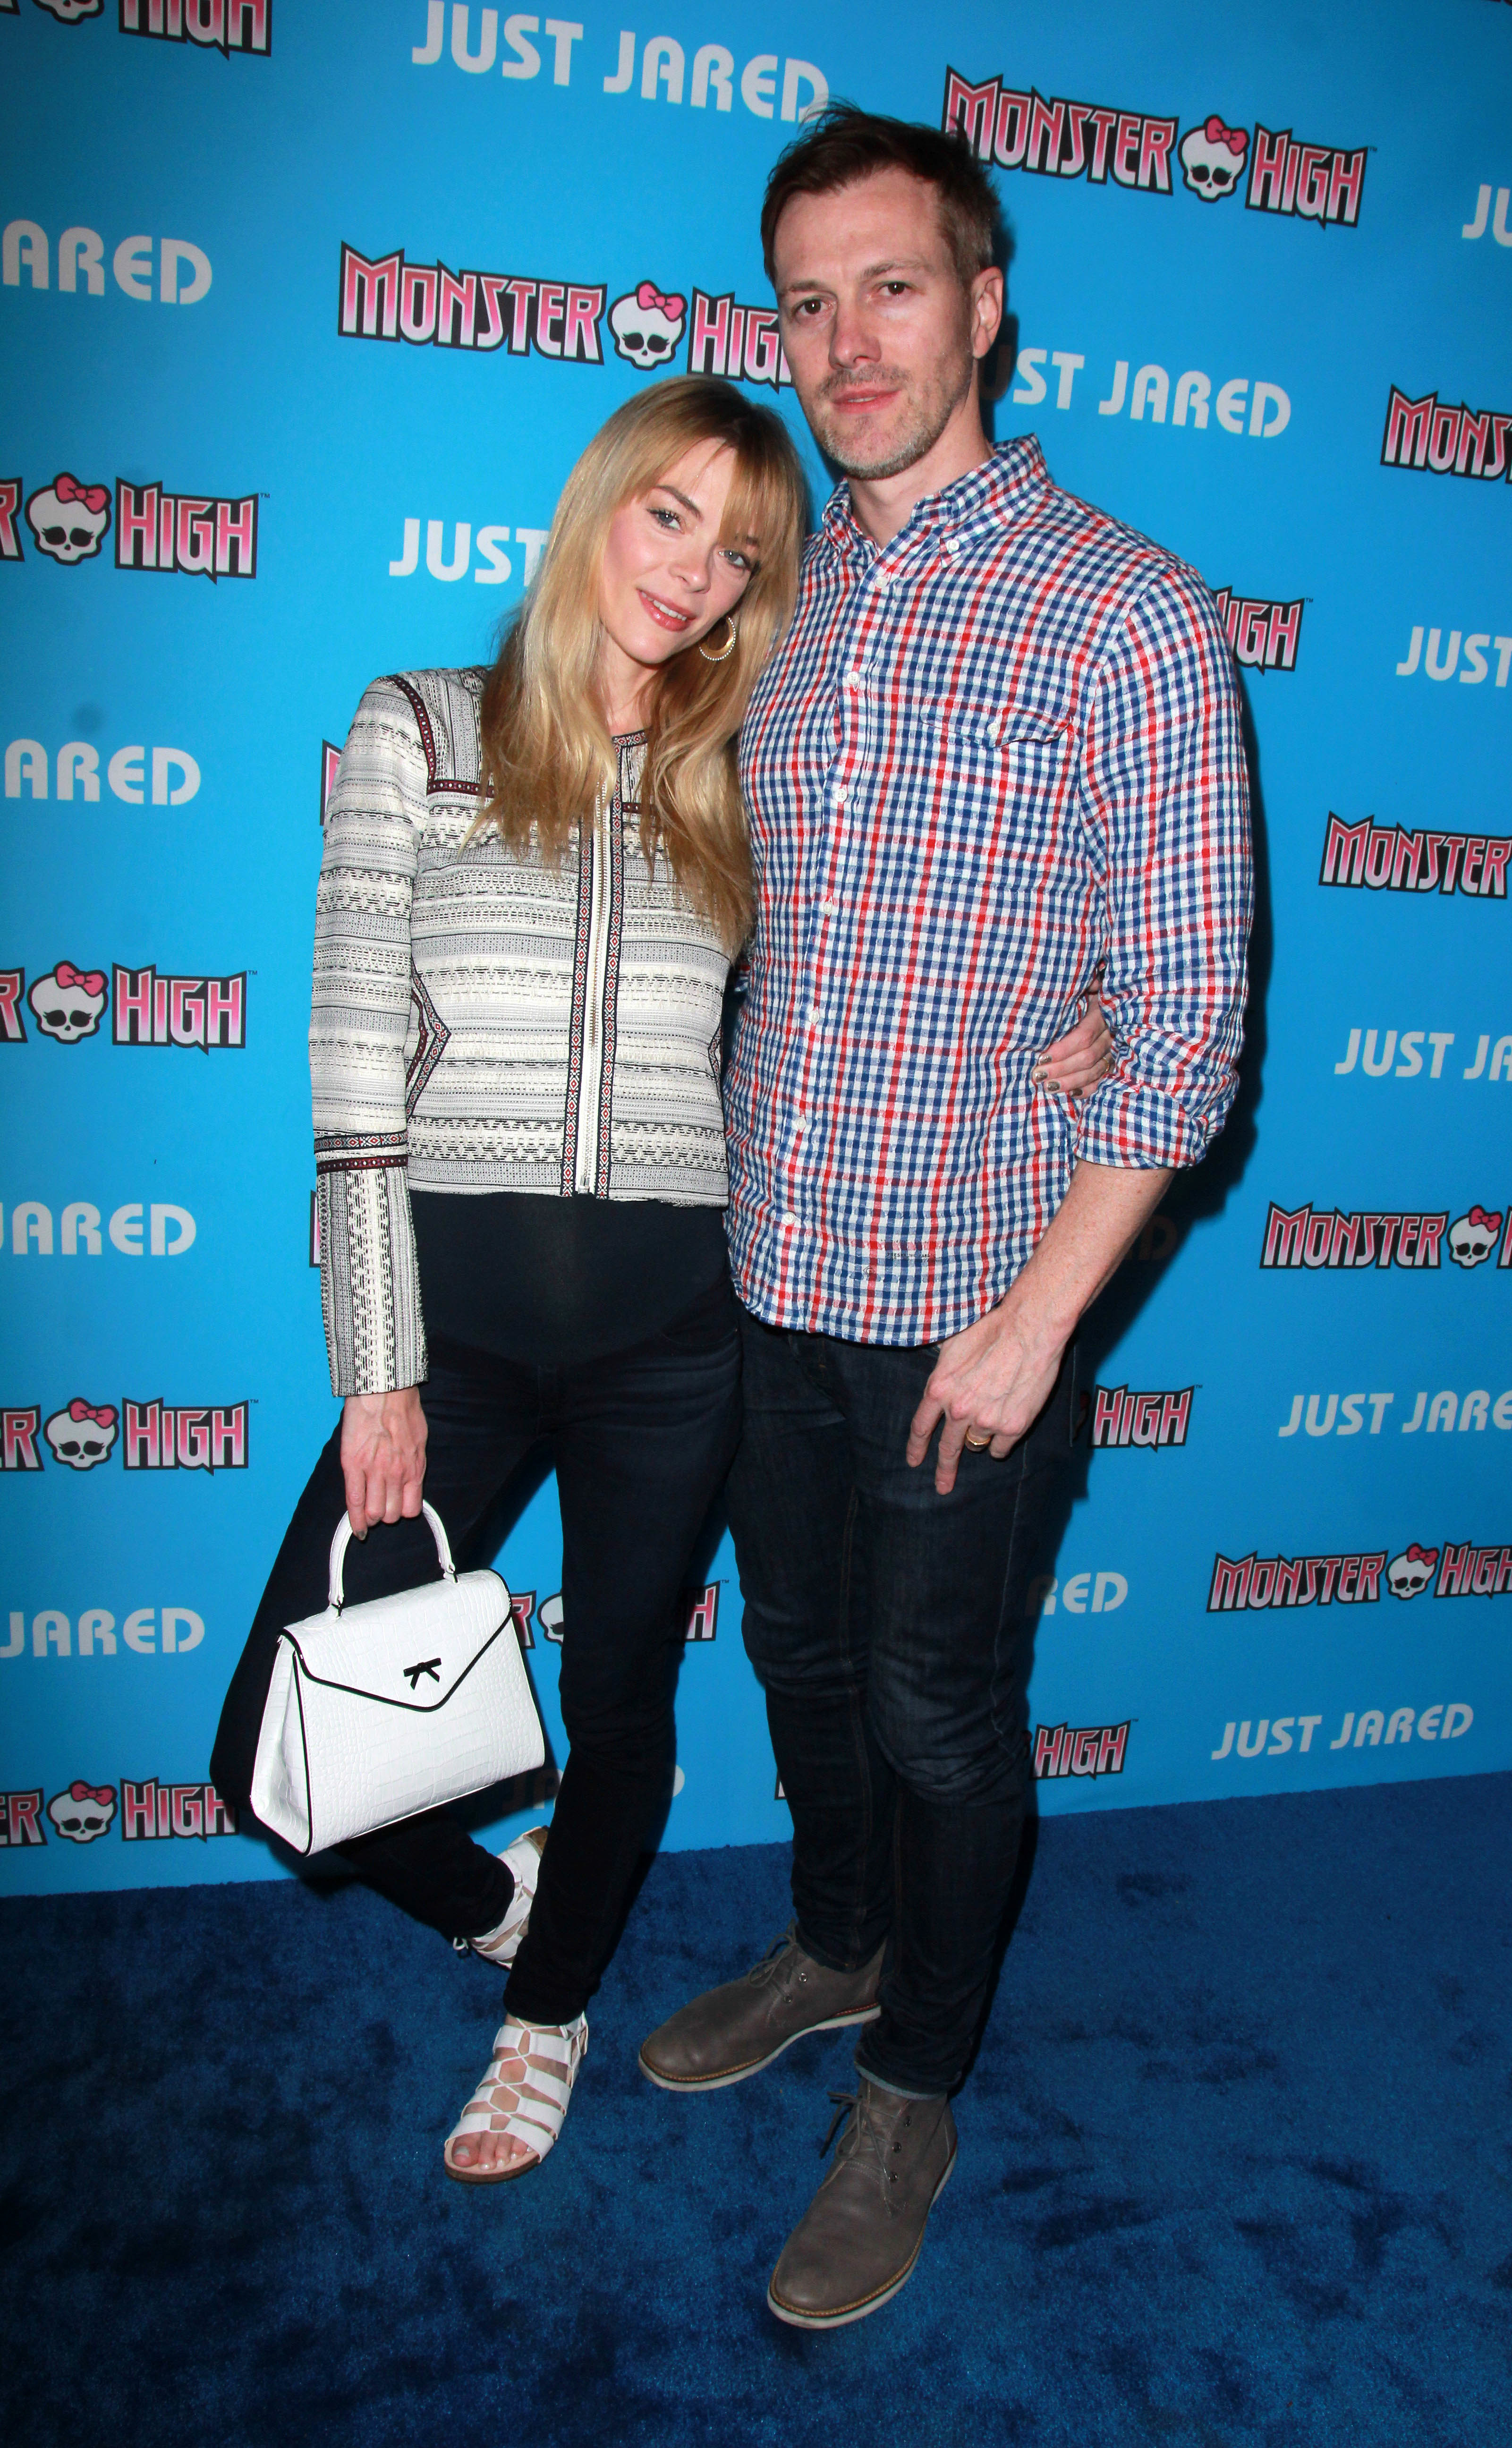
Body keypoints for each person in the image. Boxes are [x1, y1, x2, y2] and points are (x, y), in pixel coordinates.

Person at [638, 110, 1254, 2327]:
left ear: (985, 306)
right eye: (807, 302)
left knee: (938, 1710)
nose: (849, 341)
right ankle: (838, 1942)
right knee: (799, 1660)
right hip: (770, 1279)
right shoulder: (778, 607)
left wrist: (1037, 1324)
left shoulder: (1132, 614)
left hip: (975, 1309)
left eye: (893, 287)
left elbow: (1187, 1031)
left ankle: (915, 2082)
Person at [211, 375, 808, 2185]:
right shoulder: (419, 724)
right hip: (450, 1342)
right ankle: (508, 1910)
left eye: (740, 551)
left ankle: (546, 2023)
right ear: (597, 505)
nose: (696, 574)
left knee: (622, 1700)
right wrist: (377, 1365)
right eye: (670, 516)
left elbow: (902, 969)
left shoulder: (746, 769)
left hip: (675, 1340)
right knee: (267, 1752)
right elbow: (351, 1067)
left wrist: (1077, 1018)